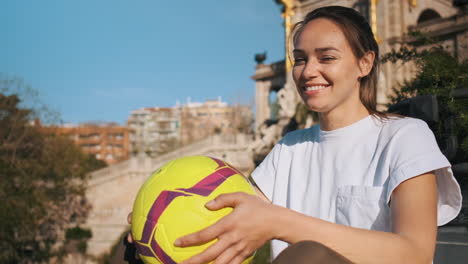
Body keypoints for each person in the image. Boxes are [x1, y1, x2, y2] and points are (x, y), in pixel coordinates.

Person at [129, 6, 462, 264]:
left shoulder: (405, 136)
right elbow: (238, 214)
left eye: (326, 58)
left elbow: (414, 254)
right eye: (300, 60)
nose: (308, 71)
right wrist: (158, 218)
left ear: (365, 63)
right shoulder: (288, 149)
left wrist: (281, 223)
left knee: (309, 258)